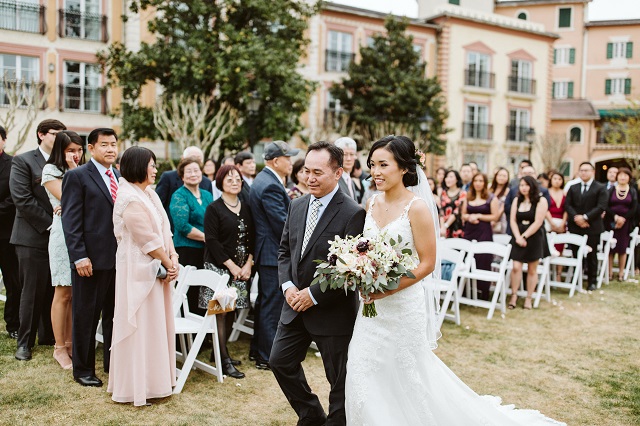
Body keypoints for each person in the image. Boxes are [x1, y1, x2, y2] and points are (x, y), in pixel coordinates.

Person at [344, 135, 563, 425]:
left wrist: (388, 288)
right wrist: (360, 272)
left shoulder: (417, 207)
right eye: (372, 164)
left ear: (404, 168)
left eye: (384, 164)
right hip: (371, 309)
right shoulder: (371, 203)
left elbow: (427, 263)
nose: (376, 171)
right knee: (361, 367)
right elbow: (366, 250)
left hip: (402, 306)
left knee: (407, 374)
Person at [270, 141, 365, 426]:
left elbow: (350, 270)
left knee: (338, 379)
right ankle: (311, 415)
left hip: (332, 310)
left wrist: (313, 294)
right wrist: (287, 286)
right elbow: (285, 250)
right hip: (294, 305)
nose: (309, 178)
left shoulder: (353, 212)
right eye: (307, 171)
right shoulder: (296, 204)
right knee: (279, 361)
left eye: (318, 172)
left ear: (337, 173)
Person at [108, 146, 177, 406]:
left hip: (157, 268)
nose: (155, 168)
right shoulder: (127, 197)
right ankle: (137, 387)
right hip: (138, 272)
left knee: (157, 326)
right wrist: (167, 261)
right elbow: (146, 239)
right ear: (138, 165)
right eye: (151, 164)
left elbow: (164, 230)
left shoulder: (150, 193)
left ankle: (156, 382)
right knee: (140, 326)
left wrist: (174, 258)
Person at [61, 128, 119, 387]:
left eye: (114, 144)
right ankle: (83, 370)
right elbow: (70, 220)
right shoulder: (77, 176)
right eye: (104, 144)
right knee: (86, 315)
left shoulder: (118, 175)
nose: (110, 149)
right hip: (90, 261)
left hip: (118, 259)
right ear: (92, 149)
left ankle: (112, 363)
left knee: (113, 315)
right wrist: (79, 256)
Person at [10, 119, 65, 361]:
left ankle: (49, 335)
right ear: (42, 135)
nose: (60, 138)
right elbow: (22, 199)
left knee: (57, 289)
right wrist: (51, 224)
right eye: (56, 134)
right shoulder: (23, 161)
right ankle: (24, 343)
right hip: (32, 236)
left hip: (62, 238)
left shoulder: (66, 162)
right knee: (31, 291)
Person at [199, 164, 255, 379]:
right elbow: (211, 240)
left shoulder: (247, 206)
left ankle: (219, 351)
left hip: (242, 269)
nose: (234, 182)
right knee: (220, 313)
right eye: (229, 179)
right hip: (220, 270)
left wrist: (248, 264)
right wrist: (231, 266)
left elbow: (254, 237)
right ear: (220, 182)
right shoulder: (214, 208)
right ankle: (223, 359)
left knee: (231, 310)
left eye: (237, 179)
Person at [249, 140, 299, 369]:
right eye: (288, 158)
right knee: (272, 304)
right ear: (275, 161)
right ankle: (266, 356)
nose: (291, 162)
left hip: (266, 250)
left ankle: (257, 350)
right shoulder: (269, 184)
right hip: (271, 252)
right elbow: (281, 222)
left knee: (265, 302)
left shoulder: (265, 179)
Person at [41, 131, 85, 369]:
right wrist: (72, 169)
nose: (76, 155)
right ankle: (59, 348)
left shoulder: (83, 170)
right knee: (63, 291)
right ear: (61, 150)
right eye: (71, 150)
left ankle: (70, 342)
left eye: (79, 150)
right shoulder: (50, 171)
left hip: (82, 235)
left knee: (75, 293)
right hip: (62, 236)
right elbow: (69, 197)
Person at [169, 157, 212, 314]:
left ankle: (204, 332)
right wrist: (207, 237)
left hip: (205, 251)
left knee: (204, 290)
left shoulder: (207, 195)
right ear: (182, 176)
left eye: (196, 170)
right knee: (188, 292)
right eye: (189, 171)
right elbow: (182, 226)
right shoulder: (179, 195)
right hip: (187, 249)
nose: (193, 174)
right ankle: (186, 335)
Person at [508, 176, 550, 310]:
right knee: (516, 266)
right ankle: (514, 295)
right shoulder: (517, 200)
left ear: (532, 186)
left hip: (534, 236)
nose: (523, 188)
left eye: (526, 185)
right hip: (518, 234)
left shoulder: (541, 200)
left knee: (532, 269)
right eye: (521, 185)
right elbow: (513, 220)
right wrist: (518, 237)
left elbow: (538, 221)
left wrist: (525, 236)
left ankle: (528, 298)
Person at [565, 162, 608, 291]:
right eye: (581, 170)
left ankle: (592, 281)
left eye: (586, 170)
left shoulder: (600, 188)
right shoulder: (573, 188)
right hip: (575, 226)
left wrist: (585, 217)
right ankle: (576, 277)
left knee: (591, 254)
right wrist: (577, 218)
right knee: (575, 253)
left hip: (592, 226)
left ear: (592, 172)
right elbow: (568, 205)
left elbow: (601, 206)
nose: (583, 173)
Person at [461, 173, 500, 301]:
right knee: (466, 258)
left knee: (483, 259)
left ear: (484, 183)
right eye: (475, 180)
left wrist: (478, 216)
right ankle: (466, 290)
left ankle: (483, 293)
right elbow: (463, 214)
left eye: (480, 181)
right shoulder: (468, 196)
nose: (478, 183)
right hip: (469, 231)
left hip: (484, 231)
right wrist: (469, 217)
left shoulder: (491, 198)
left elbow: (495, 216)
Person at [155, 146, 212, 226]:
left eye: (198, 159)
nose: (194, 161)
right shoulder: (168, 177)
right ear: (183, 159)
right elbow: (158, 205)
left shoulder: (207, 182)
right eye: (191, 158)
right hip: (173, 229)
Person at [0, 125, 20, 340]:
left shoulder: (14, 164)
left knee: (12, 281)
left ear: (4, 140)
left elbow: (15, 197)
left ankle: (13, 324)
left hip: (6, 232)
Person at [605, 167, 637, 281]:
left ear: (629, 177)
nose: (623, 177)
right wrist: (615, 217)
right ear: (617, 177)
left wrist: (623, 219)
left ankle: (621, 273)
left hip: (625, 223)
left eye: (625, 175)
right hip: (611, 222)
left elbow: (634, 208)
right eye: (620, 175)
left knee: (622, 248)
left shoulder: (632, 190)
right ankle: (609, 273)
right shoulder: (611, 190)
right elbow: (606, 205)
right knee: (610, 248)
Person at [546, 171, 567, 261]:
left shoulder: (565, 193)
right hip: (548, 221)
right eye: (555, 179)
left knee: (560, 247)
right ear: (551, 180)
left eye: (559, 179)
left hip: (562, 221)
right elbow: (545, 209)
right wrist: (552, 223)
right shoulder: (546, 192)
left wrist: (563, 223)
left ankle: (558, 274)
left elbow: (566, 209)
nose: (557, 181)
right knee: (548, 246)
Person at [440, 169, 466, 238]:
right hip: (443, 227)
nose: (448, 179)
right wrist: (442, 226)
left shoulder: (462, 193)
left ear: (457, 179)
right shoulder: (443, 193)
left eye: (451, 177)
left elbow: (457, 212)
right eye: (446, 177)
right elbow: (441, 210)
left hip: (457, 226)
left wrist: (446, 226)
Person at [489, 167, 510, 234]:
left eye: (504, 176)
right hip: (488, 216)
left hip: (500, 219)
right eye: (500, 175)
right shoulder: (489, 188)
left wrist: (495, 219)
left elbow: (502, 207)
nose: (501, 177)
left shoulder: (508, 191)